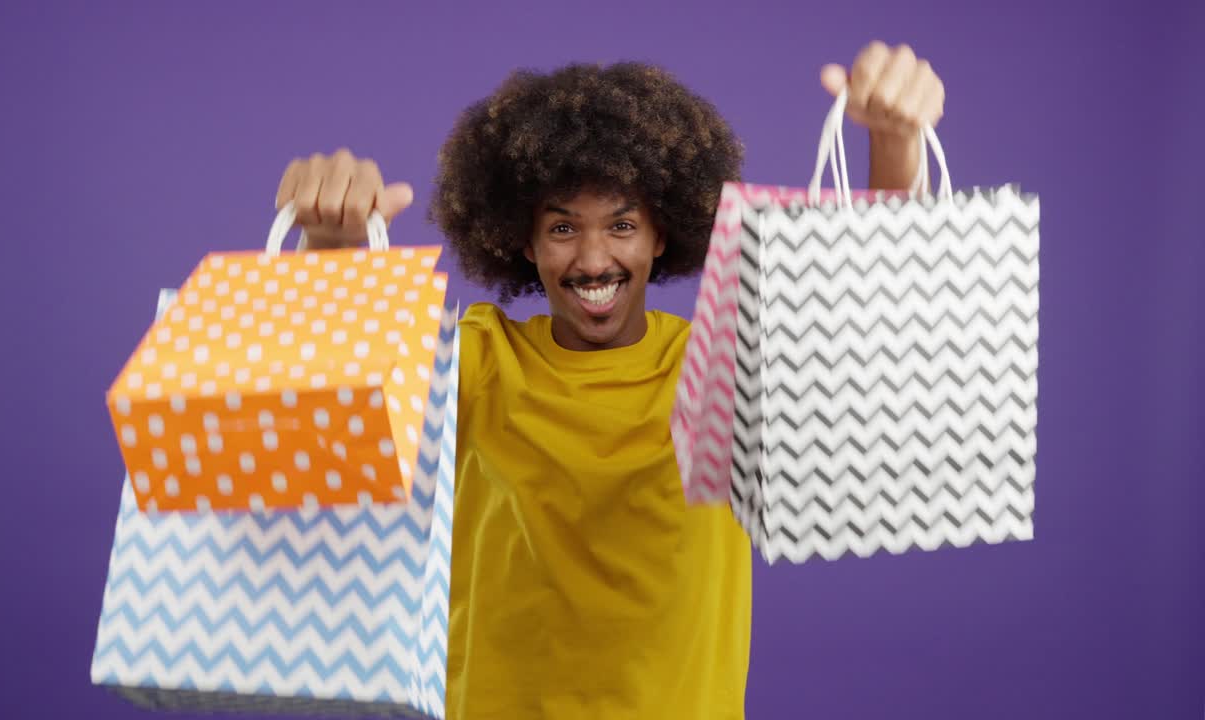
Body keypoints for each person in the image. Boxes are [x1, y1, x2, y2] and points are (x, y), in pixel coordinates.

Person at [274, 40, 945, 720]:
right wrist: (330, 245)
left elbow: (871, 342)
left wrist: (895, 145)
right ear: (525, 241)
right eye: (563, 227)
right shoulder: (476, 360)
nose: (594, 259)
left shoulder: (722, 364)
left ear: (661, 235)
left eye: (622, 225)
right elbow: (326, 412)